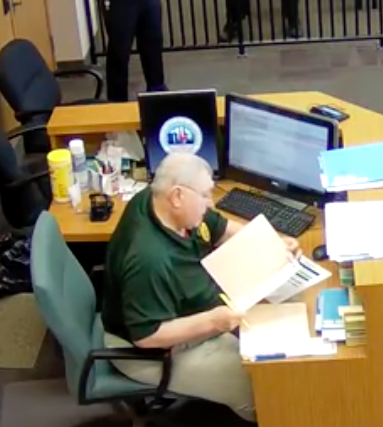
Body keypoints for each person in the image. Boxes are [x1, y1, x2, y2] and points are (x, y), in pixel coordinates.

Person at [101, 152, 300, 423]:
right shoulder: (149, 260)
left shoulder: (161, 202)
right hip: (155, 351)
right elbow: (147, 336)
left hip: (191, 305)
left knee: (290, 306)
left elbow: (219, 228)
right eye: (205, 196)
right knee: (261, 386)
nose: (210, 203)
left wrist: (272, 241)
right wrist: (213, 321)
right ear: (177, 196)